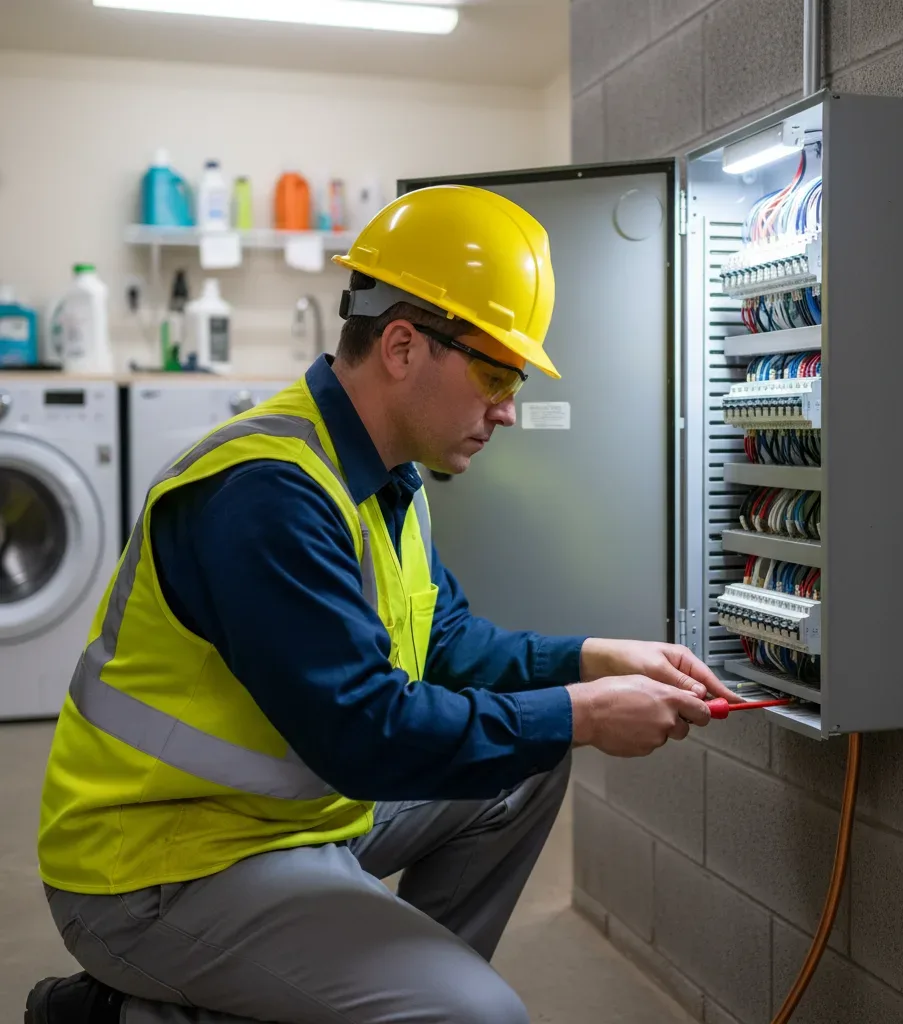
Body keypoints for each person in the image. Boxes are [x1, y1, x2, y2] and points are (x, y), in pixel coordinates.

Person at [27, 184, 737, 1024]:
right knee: (483, 1017)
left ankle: (369, 992)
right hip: (159, 867)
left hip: (286, 822)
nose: (508, 409)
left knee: (529, 757)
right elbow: (367, 736)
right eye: (495, 371)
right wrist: (581, 711)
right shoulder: (269, 496)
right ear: (402, 345)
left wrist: (590, 659)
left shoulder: (388, 480)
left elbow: (450, 644)